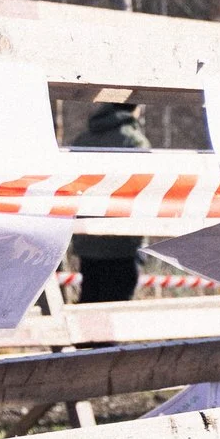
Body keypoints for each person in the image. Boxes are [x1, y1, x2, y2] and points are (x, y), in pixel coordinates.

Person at [72, 101, 150, 303]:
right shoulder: (134, 142)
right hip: (122, 242)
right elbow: (145, 191)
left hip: (87, 239)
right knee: (117, 307)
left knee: (90, 301)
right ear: (136, 108)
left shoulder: (83, 139)